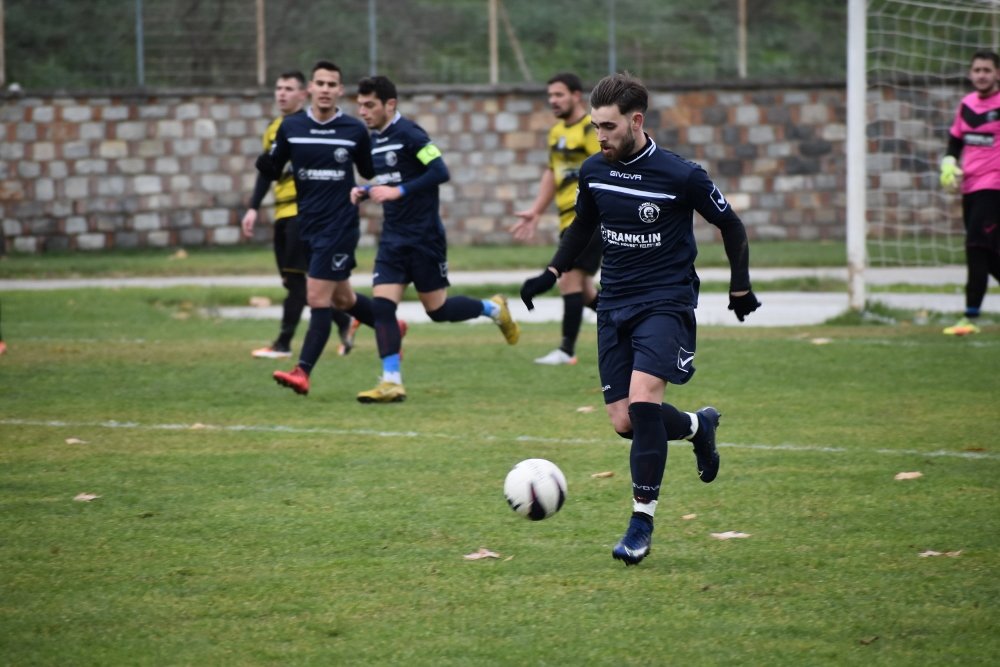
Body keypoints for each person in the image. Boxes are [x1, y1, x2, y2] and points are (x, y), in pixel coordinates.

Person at [520, 73, 761, 566]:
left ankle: (640, 522)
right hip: (614, 304)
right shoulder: (593, 170)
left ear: (636, 120)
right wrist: (551, 272)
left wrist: (740, 285)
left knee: (646, 400)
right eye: (594, 127)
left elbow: (730, 224)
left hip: (665, 301)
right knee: (625, 420)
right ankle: (698, 427)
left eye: (608, 127)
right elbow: (582, 225)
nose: (600, 137)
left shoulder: (681, 176)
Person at [350, 75, 520, 403]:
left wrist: (397, 191)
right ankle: (391, 380)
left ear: (390, 104)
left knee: (437, 310)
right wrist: (368, 192)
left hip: (424, 238)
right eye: (360, 105)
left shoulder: (411, 135)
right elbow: (391, 179)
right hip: (393, 240)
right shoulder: (375, 140)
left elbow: (440, 171)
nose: (363, 111)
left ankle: (493, 308)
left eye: (369, 105)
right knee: (383, 307)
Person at [256, 59, 385, 397]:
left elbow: (370, 172)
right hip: (307, 223)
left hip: (339, 225)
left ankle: (303, 371)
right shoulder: (291, 127)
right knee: (342, 299)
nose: (326, 90)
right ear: (310, 89)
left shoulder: (354, 130)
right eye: (320, 84)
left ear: (340, 91)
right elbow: (273, 167)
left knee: (317, 298)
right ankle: (389, 324)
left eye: (332, 85)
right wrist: (265, 162)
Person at [241, 70, 355, 359]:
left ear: (304, 94)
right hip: (282, 213)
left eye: (289, 89)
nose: (281, 94)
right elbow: (267, 173)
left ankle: (283, 343)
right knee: (299, 282)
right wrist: (253, 207)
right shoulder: (276, 129)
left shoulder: (313, 128)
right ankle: (346, 320)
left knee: (298, 281)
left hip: (302, 214)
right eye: (278, 88)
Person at [511, 72, 602, 366]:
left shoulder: (590, 129)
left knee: (568, 279)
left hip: (589, 220)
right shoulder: (556, 133)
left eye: (559, 94)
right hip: (568, 221)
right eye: (550, 95)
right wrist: (536, 211)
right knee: (585, 290)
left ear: (576, 95)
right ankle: (633, 326)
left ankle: (566, 350)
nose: (553, 100)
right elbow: (553, 172)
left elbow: (603, 168)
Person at [940, 49, 1000, 336]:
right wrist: (949, 162)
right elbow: (955, 141)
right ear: (970, 74)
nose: (981, 75)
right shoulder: (966, 105)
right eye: (977, 70)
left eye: (987, 70)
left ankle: (969, 317)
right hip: (970, 187)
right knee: (990, 254)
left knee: (975, 247)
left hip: (995, 187)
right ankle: (970, 315)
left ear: (997, 73)